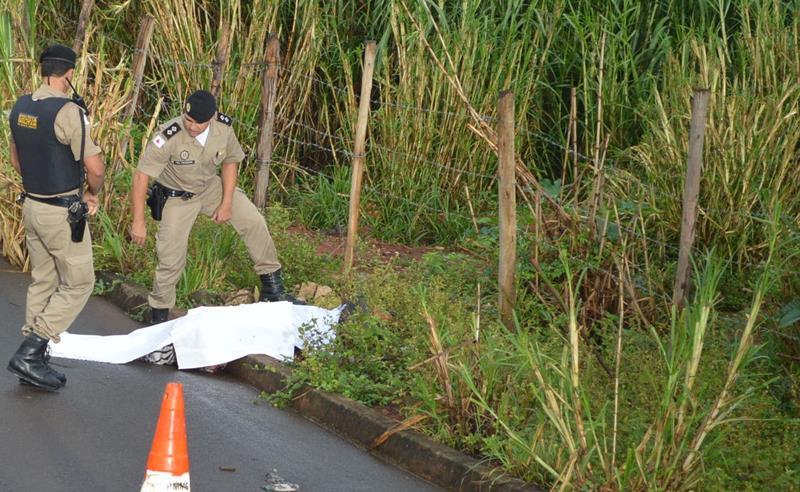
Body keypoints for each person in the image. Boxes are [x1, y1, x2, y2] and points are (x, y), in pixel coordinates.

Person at [130, 90, 293, 325]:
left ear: (212, 117)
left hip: (210, 188)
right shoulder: (168, 135)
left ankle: (272, 287)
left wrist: (226, 203)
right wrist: (138, 221)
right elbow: (141, 177)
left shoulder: (223, 129)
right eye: (188, 120)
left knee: (253, 221)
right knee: (171, 256)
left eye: (199, 123)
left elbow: (230, 162)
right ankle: (160, 314)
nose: (192, 126)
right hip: (177, 197)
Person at [6, 44, 105, 391]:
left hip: (31, 207)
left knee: (44, 281)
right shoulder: (68, 112)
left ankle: (34, 361)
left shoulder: (20, 107)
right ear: (70, 73)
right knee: (80, 282)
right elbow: (93, 166)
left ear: (42, 68)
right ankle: (31, 351)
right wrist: (92, 193)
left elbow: (17, 159)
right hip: (61, 212)